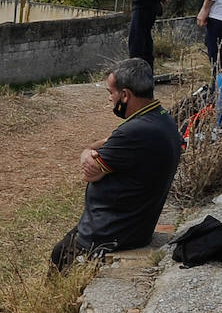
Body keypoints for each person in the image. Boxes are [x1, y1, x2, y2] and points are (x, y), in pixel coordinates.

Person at [50, 58, 182, 270]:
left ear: (125, 95)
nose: (110, 99)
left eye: (111, 92)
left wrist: (86, 152)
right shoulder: (160, 118)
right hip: (133, 224)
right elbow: (110, 142)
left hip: (111, 232)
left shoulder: (134, 132)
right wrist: (104, 144)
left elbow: (89, 174)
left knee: (61, 256)